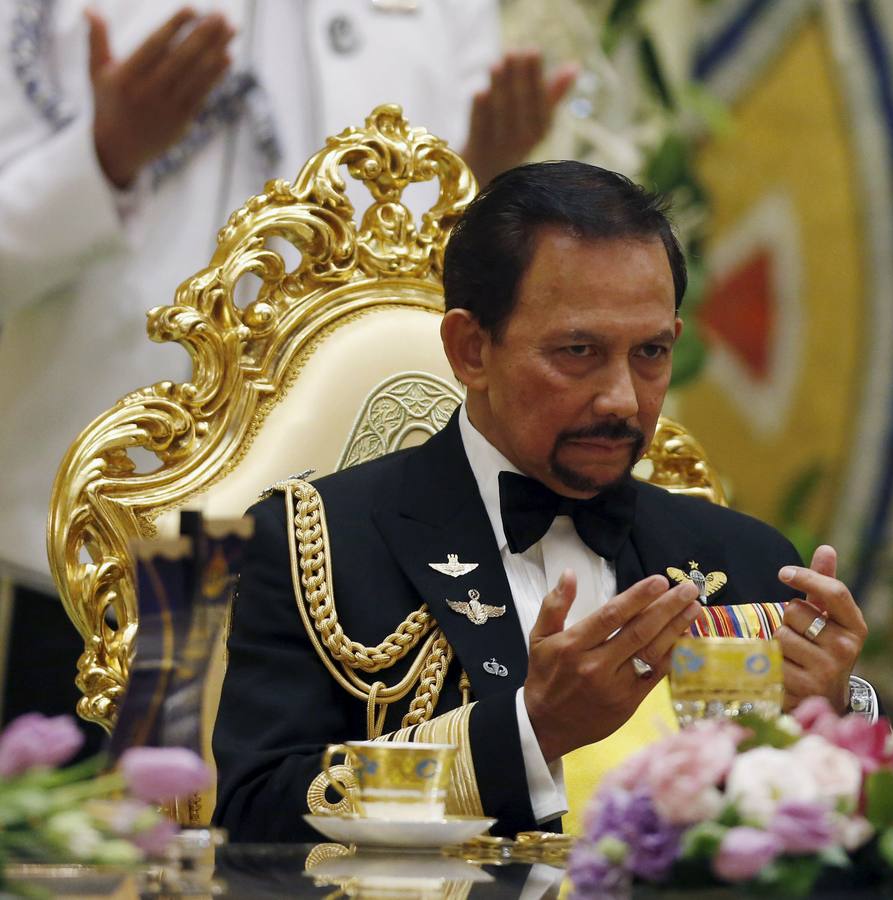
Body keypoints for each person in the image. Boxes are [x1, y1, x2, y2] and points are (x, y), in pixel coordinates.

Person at [212, 160, 870, 842]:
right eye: (579, 351)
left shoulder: (749, 559)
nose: (621, 399)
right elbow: (257, 823)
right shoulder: (315, 542)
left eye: (649, 352)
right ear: (471, 349)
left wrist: (830, 721)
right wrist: (529, 733)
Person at [0, 1, 573, 738]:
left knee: (352, 828)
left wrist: (486, 183)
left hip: (359, 555)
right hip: (105, 541)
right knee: (99, 835)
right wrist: (103, 156)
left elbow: (433, 283)